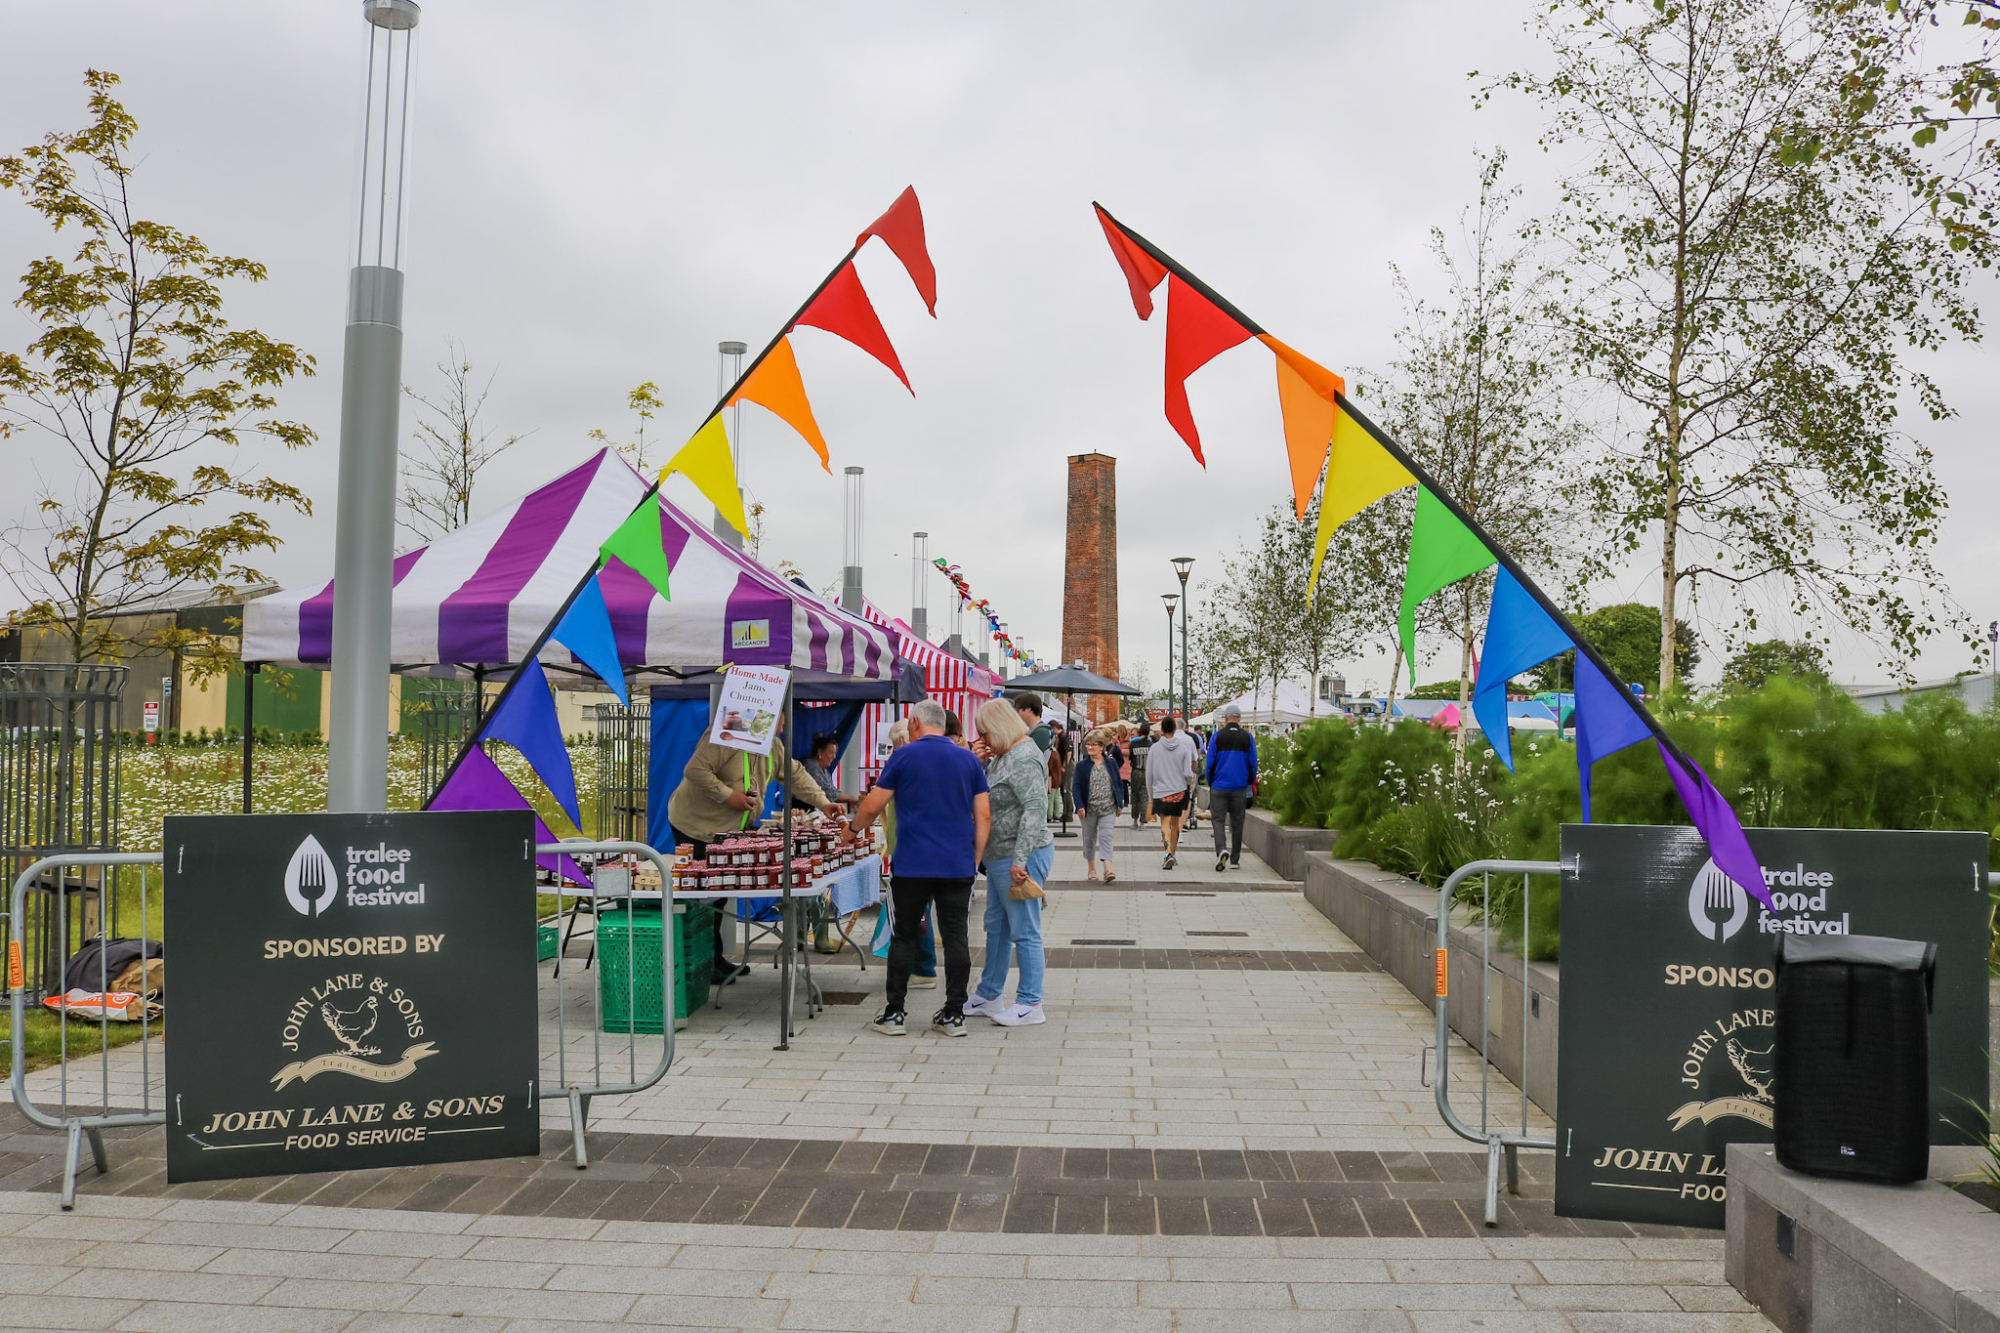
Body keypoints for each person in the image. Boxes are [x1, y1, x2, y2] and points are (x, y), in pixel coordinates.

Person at [847, 699, 989, 1037]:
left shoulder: (903, 756)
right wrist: (976, 856)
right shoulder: (969, 760)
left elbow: (873, 803)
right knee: (956, 936)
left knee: (904, 935)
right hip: (957, 863)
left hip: (911, 864)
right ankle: (954, 1013)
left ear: (914, 723)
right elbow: (983, 814)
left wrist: (851, 831)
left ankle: (895, 1013)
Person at [667, 728, 845, 984]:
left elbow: (796, 775)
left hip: (727, 832)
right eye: (781, 717)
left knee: (719, 894)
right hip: (695, 826)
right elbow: (695, 771)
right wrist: (729, 796)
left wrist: (823, 801)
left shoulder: (773, 745)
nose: (784, 725)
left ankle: (713, 958)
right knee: (701, 896)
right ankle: (696, 963)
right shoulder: (725, 736)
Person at [964, 698, 1053, 1026]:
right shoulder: (1003, 756)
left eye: (985, 733)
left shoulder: (1024, 757)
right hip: (1002, 855)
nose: (983, 739)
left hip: (1020, 854)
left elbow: (1034, 810)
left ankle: (1031, 1002)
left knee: (1024, 929)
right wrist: (978, 761)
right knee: (997, 927)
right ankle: (990, 994)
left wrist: (1020, 859)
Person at [878, 718, 937, 989]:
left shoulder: (905, 763)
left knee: (916, 912)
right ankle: (921, 965)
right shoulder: (921, 763)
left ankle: (923, 968)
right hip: (914, 848)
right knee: (919, 911)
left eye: (893, 744)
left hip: (911, 852)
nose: (891, 751)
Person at [1206, 703, 1258, 871]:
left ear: (1226, 718)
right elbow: (1253, 763)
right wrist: (1249, 781)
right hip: (1239, 786)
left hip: (1219, 785)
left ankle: (1221, 849)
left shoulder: (1217, 737)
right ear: (1239, 719)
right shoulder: (1248, 737)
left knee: (1218, 820)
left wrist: (1210, 780)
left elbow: (1210, 762)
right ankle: (1235, 860)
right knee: (1237, 822)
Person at [1145, 716, 1198, 870]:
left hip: (1160, 791)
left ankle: (1167, 852)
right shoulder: (1183, 748)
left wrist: (1150, 795)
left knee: (1164, 823)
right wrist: (1186, 784)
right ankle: (1172, 854)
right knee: (1175, 824)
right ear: (1175, 729)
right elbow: (1188, 773)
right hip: (1179, 790)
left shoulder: (1154, 748)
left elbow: (1149, 774)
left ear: (1161, 730)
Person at [1071, 730, 1124, 882]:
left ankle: (1108, 869)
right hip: (1089, 809)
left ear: (1102, 747)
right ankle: (1091, 869)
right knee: (1089, 839)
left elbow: (1118, 783)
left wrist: (1119, 804)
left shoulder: (1111, 763)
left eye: (1093, 744)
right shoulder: (1081, 766)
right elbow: (1076, 787)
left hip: (1108, 807)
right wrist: (1079, 806)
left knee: (1106, 836)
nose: (1089, 747)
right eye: (1087, 744)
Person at [799, 733, 842, 809]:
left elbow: (832, 791)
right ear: (820, 752)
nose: (834, 756)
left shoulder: (825, 771)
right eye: (831, 752)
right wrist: (854, 799)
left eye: (835, 753)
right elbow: (828, 793)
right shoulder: (809, 767)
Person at [1127, 721, 1153, 829]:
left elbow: (1130, 758)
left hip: (1136, 771)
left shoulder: (1133, 744)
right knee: (1145, 797)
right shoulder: (1150, 744)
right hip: (1147, 772)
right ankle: (1143, 822)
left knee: (1135, 796)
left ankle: (1134, 821)